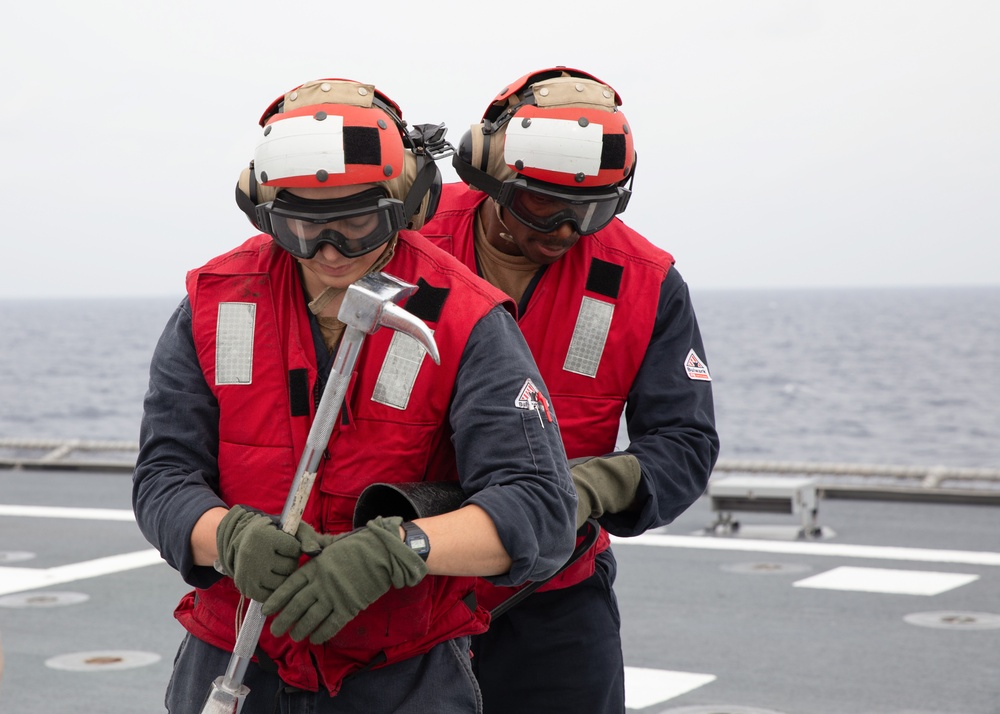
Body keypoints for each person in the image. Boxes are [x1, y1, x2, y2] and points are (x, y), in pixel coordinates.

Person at [132, 77, 577, 714]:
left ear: (404, 202)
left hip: (404, 676)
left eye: (356, 222)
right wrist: (227, 538)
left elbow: (540, 510)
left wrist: (400, 552)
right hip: (231, 658)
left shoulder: (468, 319)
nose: (329, 250)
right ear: (264, 208)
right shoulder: (213, 303)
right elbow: (162, 478)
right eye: (300, 227)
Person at [419, 67, 720, 713]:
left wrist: (580, 491)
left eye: (594, 210)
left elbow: (684, 443)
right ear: (488, 172)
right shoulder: (405, 239)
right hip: (409, 587)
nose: (566, 229)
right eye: (541, 205)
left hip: (553, 598)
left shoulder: (647, 282)